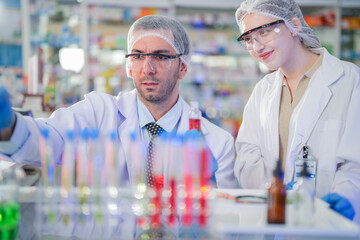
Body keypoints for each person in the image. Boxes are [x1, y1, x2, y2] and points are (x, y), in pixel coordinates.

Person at [0, 15, 238, 189]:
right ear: (129, 65)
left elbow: (226, 216)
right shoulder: (99, 112)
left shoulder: (217, 143)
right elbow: (49, 140)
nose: (148, 68)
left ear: (183, 66)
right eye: (137, 56)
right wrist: (9, 126)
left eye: (161, 56)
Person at [233, 0, 360, 223]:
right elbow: (247, 156)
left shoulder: (349, 81)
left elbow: (355, 163)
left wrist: (346, 196)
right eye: (249, 39)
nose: (257, 46)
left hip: (329, 224)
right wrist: (278, 192)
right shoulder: (263, 90)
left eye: (264, 31)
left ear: (294, 25)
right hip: (274, 219)